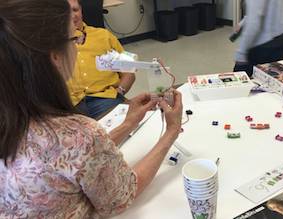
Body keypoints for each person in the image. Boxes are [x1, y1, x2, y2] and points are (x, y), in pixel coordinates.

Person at [0, 0, 183, 218]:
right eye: (74, 39)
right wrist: (171, 130)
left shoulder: (12, 118)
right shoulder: (79, 134)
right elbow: (121, 197)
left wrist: (129, 122)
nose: (77, 46)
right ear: (55, 57)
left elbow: (71, 158)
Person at [66, 0, 136, 119]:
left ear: (81, 10)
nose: (72, 15)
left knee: (125, 129)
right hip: (68, 105)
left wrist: (120, 92)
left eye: (75, 10)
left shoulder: (104, 36)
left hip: (104, 99)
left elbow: (129, 70)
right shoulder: (51, 44)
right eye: (66, 11)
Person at [233, 0, 283, 77]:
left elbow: (254, 24)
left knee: (240, 79)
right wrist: (244, 22)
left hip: (264, 41)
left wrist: (241, 54)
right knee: (271, 79)